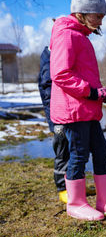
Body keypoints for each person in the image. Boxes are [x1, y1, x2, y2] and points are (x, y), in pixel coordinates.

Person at [49, 0, 106, 221]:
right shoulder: (67, 35)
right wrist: (93, 93)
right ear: (81, 13)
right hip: (73, 111)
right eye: (97, 16)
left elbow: (85, 75)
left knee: (102, 152)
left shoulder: (81, 36)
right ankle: (76, 204)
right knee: (78, 156)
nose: (100, 21)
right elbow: (61, 74)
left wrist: (104, 94)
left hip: (87, 109)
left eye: (102, 17)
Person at [38, 46, 69, 204]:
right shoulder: (51, 60)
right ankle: (62, 188)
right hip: (57, 116)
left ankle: (74, 185)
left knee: (74, 150)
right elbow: (48, 93)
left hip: (66, 113)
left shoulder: (59, 55)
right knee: (62, 150)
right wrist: (56, 119)